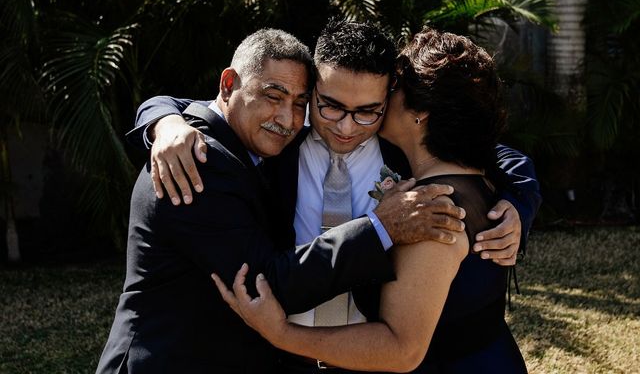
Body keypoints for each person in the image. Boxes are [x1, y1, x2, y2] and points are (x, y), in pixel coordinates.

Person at [128, 20, 540, 372]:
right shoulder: (280, 135)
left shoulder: (407, 150)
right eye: (330, 107)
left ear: (389, 101)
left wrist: (519, 203)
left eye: (367, 111)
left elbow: (493, 154)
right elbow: (226, 106)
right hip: (280, 357)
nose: (346, 127)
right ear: (312, 94)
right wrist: (163, 120)